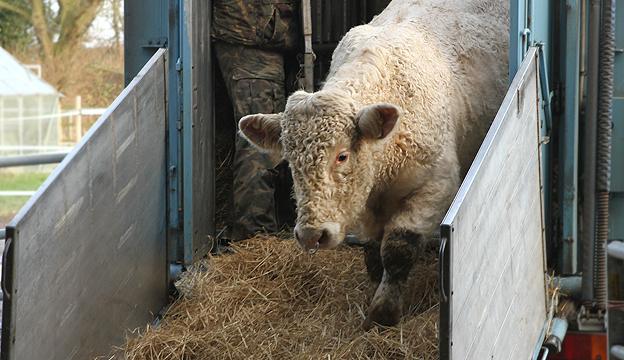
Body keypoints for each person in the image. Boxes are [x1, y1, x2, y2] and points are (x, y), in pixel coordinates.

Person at [212, 0, 299, 241]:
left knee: (260, 141)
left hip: (257, 36)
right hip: (253, 38)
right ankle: (256, 237)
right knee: (260, 144)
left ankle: (256, 229)